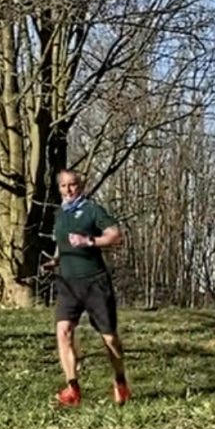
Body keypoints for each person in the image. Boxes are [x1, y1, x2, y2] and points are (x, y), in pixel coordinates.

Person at [41, 169, 130, 407]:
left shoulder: (92, 210)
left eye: (73, 185)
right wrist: (57, 261)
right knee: (63, 332)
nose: (68, 190)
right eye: (63, 186)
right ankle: (73, 390)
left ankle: (120, 381)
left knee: (109, 338)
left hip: (95, 283)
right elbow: (63, 242)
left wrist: (89, 241)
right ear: (59, 188)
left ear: (81, 186)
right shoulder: (60, 214)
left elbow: (115, 235)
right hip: (68, 284)